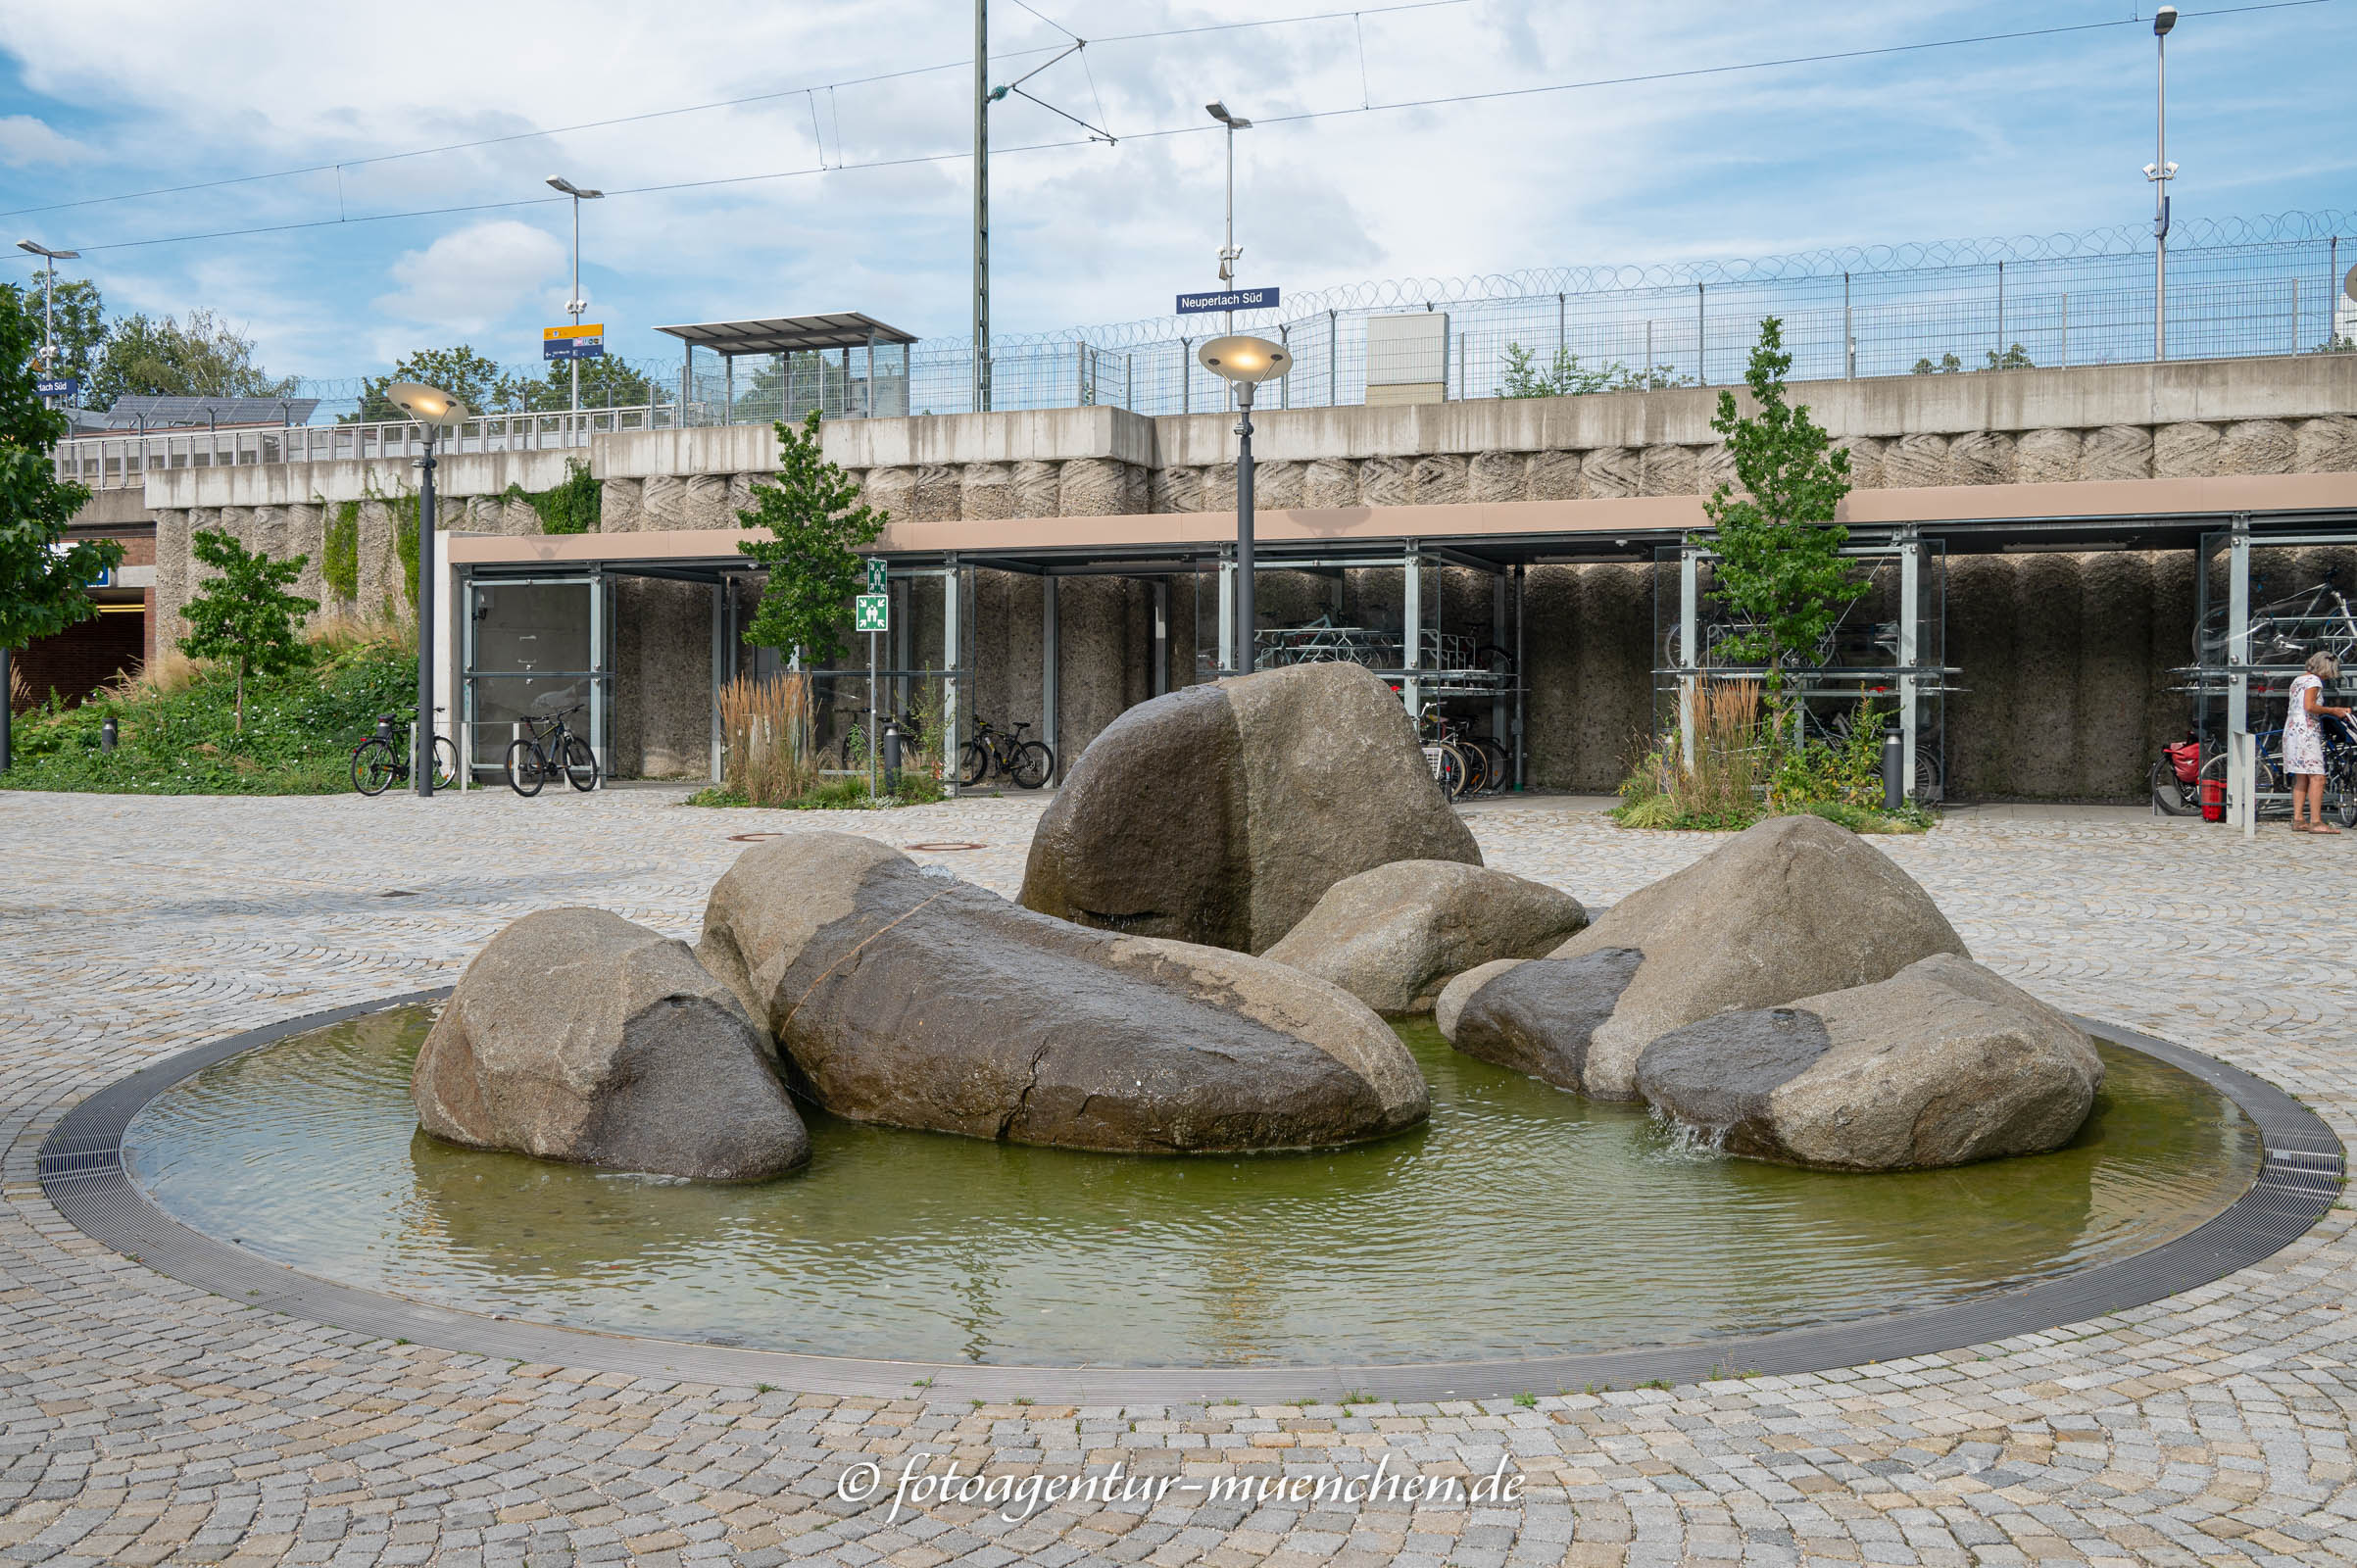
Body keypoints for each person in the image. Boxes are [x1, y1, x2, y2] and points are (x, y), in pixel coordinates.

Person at [2284, 650, 2352, 834]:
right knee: (2317, 776)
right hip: (2306, 730)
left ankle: (2298, 818)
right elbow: (2310, 706)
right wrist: (2334, 710)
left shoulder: (2298, 680)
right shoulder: (2314, 681)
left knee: (2301, 775)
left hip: (2292, 729)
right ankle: (2316, 821)